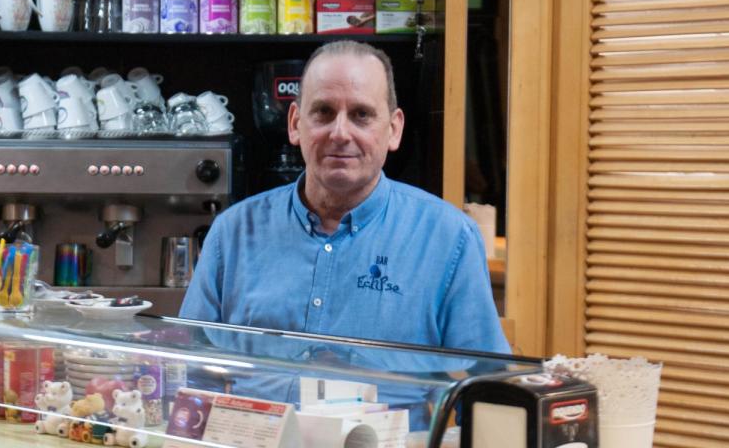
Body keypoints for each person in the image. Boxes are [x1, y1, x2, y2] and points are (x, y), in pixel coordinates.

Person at [180, 40, 509, 354]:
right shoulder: (232, 234)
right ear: (295, 124)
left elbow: (482, 386)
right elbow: (187, 370)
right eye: (323, 112)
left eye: (361, 114)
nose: (340, 133)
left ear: (394, 129)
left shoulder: (448, 239)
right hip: (261, 415)